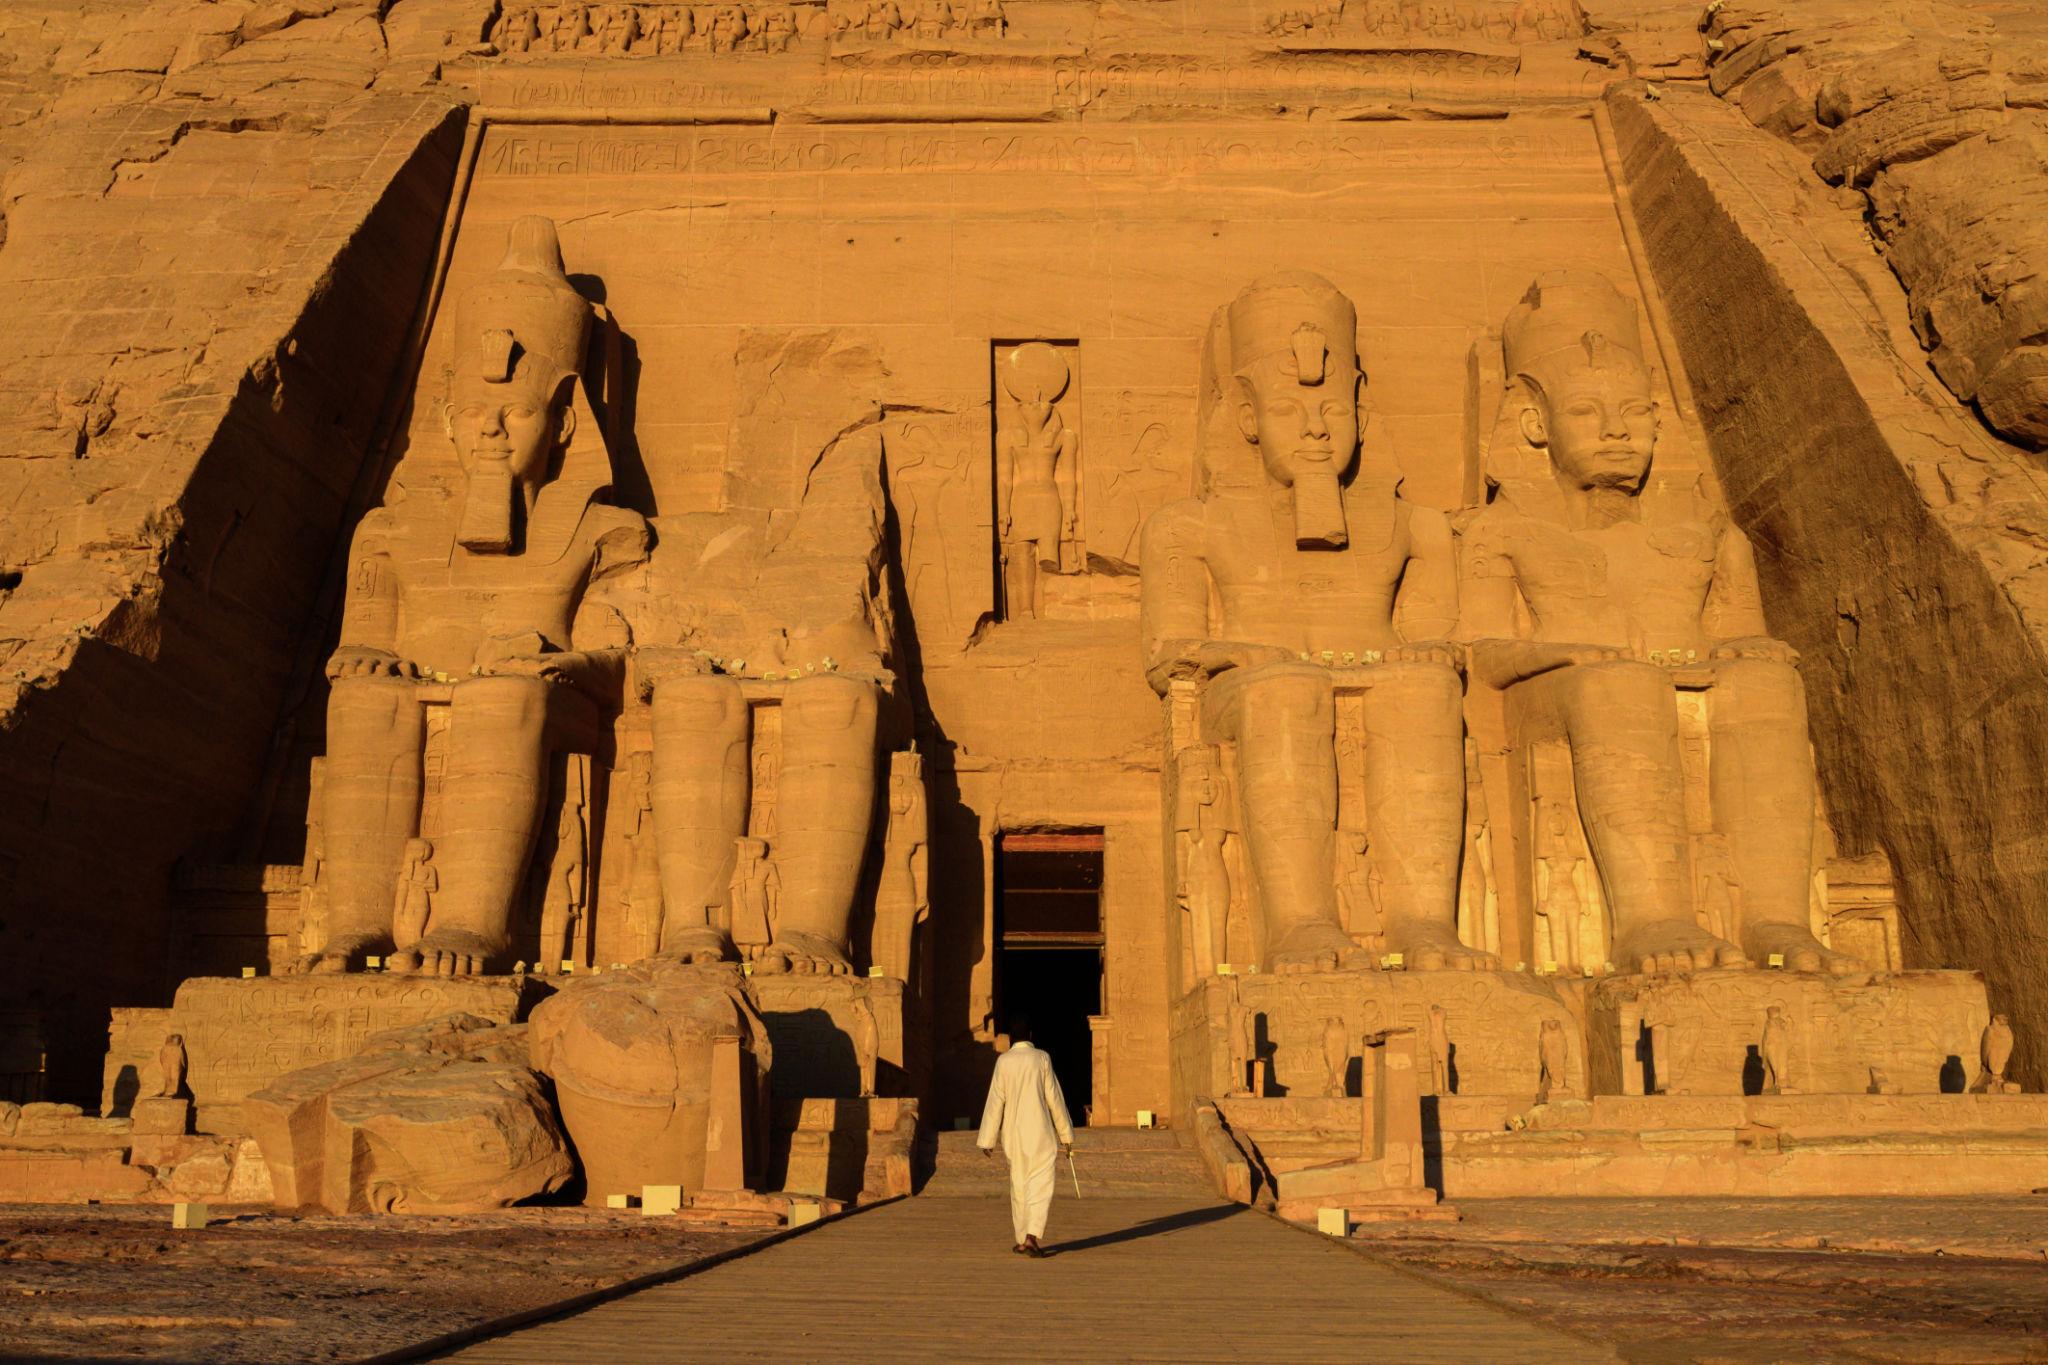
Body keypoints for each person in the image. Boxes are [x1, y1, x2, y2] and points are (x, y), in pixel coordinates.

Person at [976, 1017, 1074, 1257]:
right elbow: (1054, 1097)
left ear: (1010, 1038)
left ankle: (1022, 1240)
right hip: (1040, 1132)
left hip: (1013, 1134)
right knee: (1040, 1184)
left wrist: (987, 1139)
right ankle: (1030, 1237)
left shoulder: (1003, 1061)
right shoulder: (1041, 1058)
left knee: (1018, 1185)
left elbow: (995, 1100)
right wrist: (1066, 1134)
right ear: (1030, 1035)